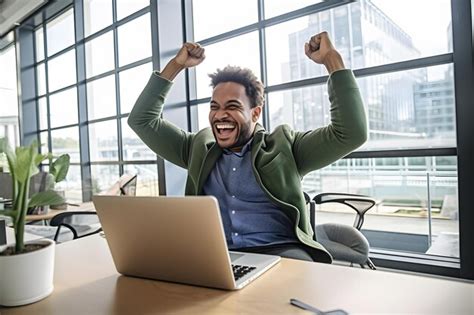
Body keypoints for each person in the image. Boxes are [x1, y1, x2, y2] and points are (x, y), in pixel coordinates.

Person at [128, 32, 367, 263]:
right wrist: (175, 66)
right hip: (214, 253)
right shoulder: (197, 147)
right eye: (214, 106)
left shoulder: (285, 146)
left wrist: (331, 60)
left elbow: (350, 133)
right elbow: (142, 120)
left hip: (280, 252)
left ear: (255, 113)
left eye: (232, 106)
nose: (220, 115)